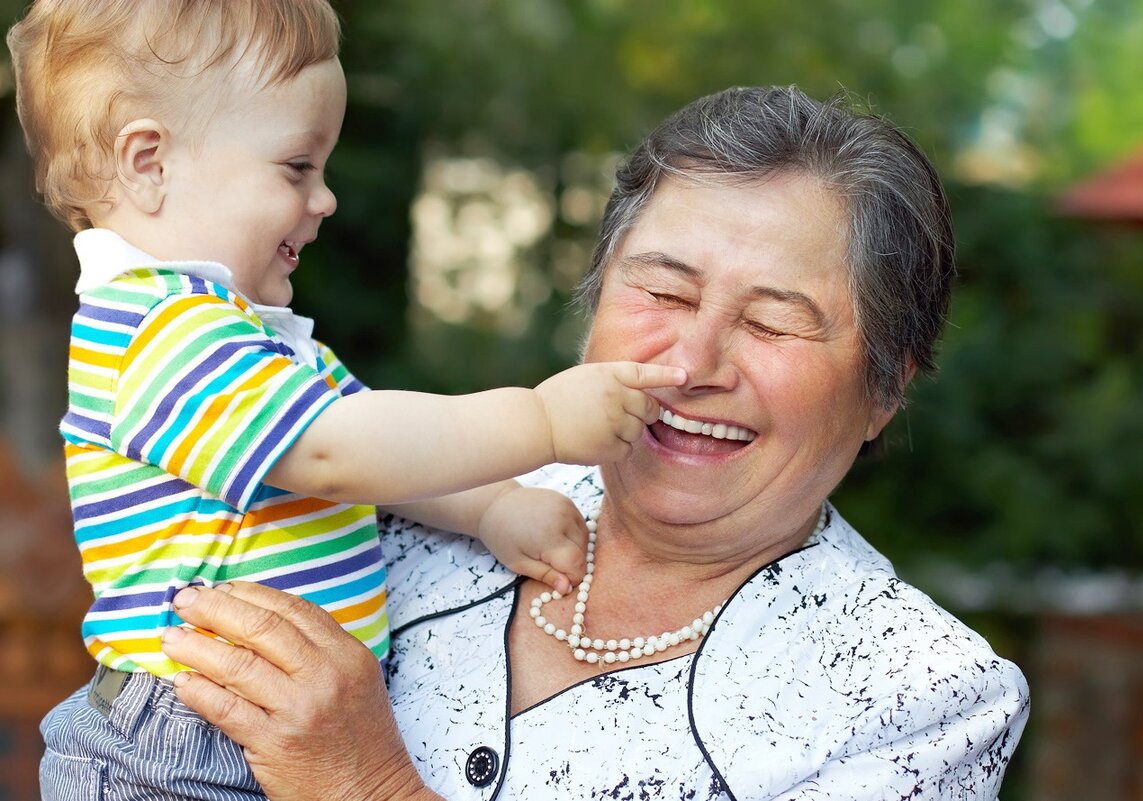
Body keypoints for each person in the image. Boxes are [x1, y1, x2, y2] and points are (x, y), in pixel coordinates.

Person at [160, 85, 1031, 801]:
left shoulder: (919, 697)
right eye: (663, 291)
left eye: (772, 323)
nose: (690, 365)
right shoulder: (415, 488)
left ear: (884, 389)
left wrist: (367, 788)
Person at [9, 2, 686, 798]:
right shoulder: (162, 335)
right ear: (149, 162)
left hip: (246, 728)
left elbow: (379, 461)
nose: (324, 198)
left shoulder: (250, 339)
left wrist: (490, 509)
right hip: (182, 743)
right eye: (298, 167)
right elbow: (340, 449)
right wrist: (539, 422)